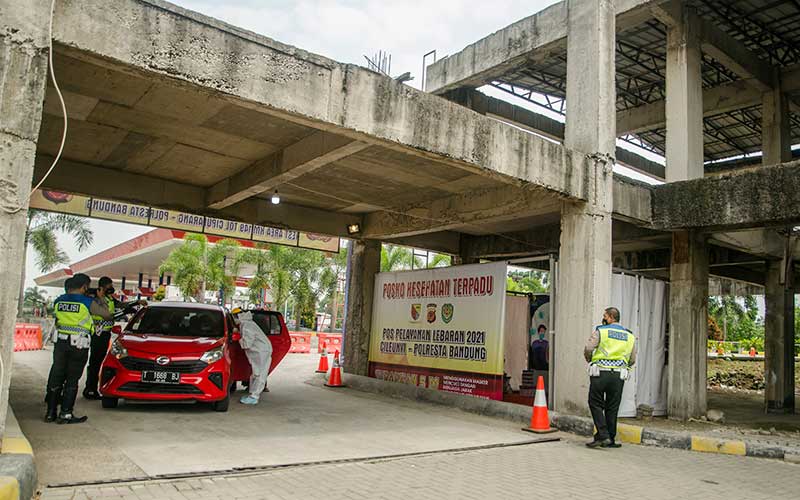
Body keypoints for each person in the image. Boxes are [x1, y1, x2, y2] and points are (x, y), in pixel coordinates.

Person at [45, 273, 113, 424]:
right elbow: (107, 315)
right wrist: (101, 297)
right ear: (85, 287)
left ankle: (50, 413)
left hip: (60, 344)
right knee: (72, 378)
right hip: (78, 346)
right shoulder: (87, 302)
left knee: (57, 376)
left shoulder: (59, 300)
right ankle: (66, 414)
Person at [83, 277, 146, 399]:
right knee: (95, 362)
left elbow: (121, 304)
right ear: (102, 287)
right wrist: (124, 312)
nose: (111, 289)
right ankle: (90, 389)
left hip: (105, 333)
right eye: (109, 286)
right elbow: (108, 316)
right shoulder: (95, 298)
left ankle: (91, 388)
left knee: (99, 361)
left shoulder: (109, 298)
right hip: (98, 333)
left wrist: (137, 302)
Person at [584, 307, 636, 449]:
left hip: (601, 372)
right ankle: (610, 439)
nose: (604, 318)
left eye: (605, 316)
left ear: (611, 317)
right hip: (618, 375)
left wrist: (590, 360)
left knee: (595, 403)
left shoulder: (601, 331)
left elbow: (588, 348)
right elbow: (632, 358)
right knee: (612, 407)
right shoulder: (629, 335)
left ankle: (603, 434)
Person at [232, 308, 272, 405]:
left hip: (261, 352)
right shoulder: (246, 324)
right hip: (259, 351)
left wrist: (237, 338)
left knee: (259, 374)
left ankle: (254, 397)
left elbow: (247, 344)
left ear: (237, 317)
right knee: (256, 373)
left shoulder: (247, 326)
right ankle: (252, 394)